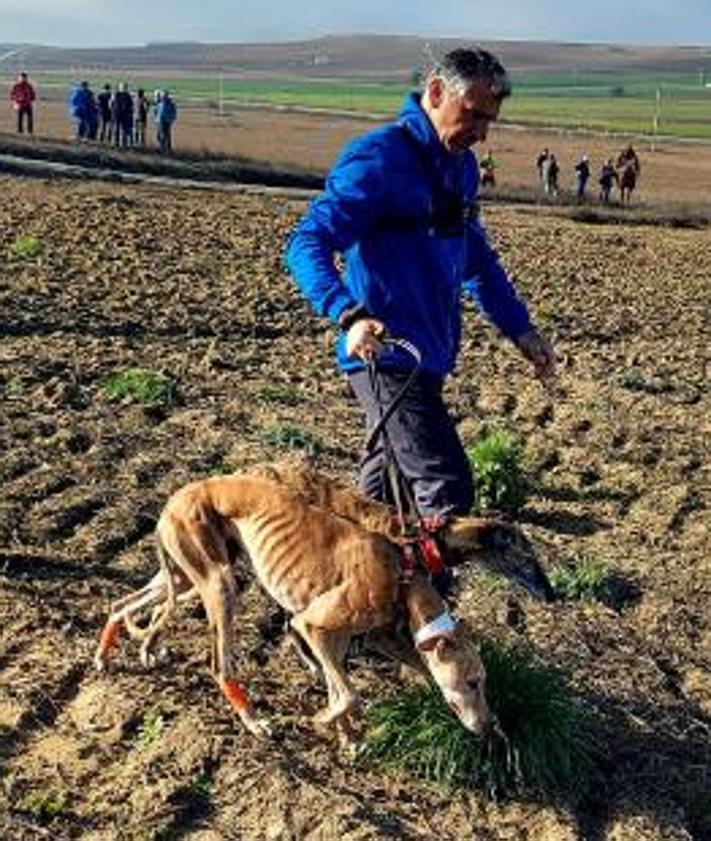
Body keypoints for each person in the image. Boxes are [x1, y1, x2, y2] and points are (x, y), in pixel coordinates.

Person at [285, 46, 555, 524]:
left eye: (490, 120)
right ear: (435, 91)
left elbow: (475, 257)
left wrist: (521, 329)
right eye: (472, 114)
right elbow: (308, 241)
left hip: (428, 359)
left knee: (379, 509)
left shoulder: (462, 169)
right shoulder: (380, 158)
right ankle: (435, 602)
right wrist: (348, 315)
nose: (481, 132)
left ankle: (348, 593)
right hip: (386, 357)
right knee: (446, 489)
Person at [154, 89, 177, 154]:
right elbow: (156, 111)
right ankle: (161, 148)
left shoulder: (170, 104)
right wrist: (156, 119)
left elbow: (174, 112)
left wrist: (172, 119)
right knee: (160, 135)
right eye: (163, 95)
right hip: (160, 121)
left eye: (164, 95)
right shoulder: (160, 103)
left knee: (166, 135)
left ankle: (167, 149)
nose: (163, 97)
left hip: (166, 121)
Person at [112, 82, 134, 148]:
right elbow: (131, 106)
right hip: (124, 115)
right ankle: (123, 144)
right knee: (123, 130)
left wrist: (113, 112)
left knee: (117, 129)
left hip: (117, 114)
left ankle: (116, 142)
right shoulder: (128, 96)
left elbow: (111, 104)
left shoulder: (116, 94)